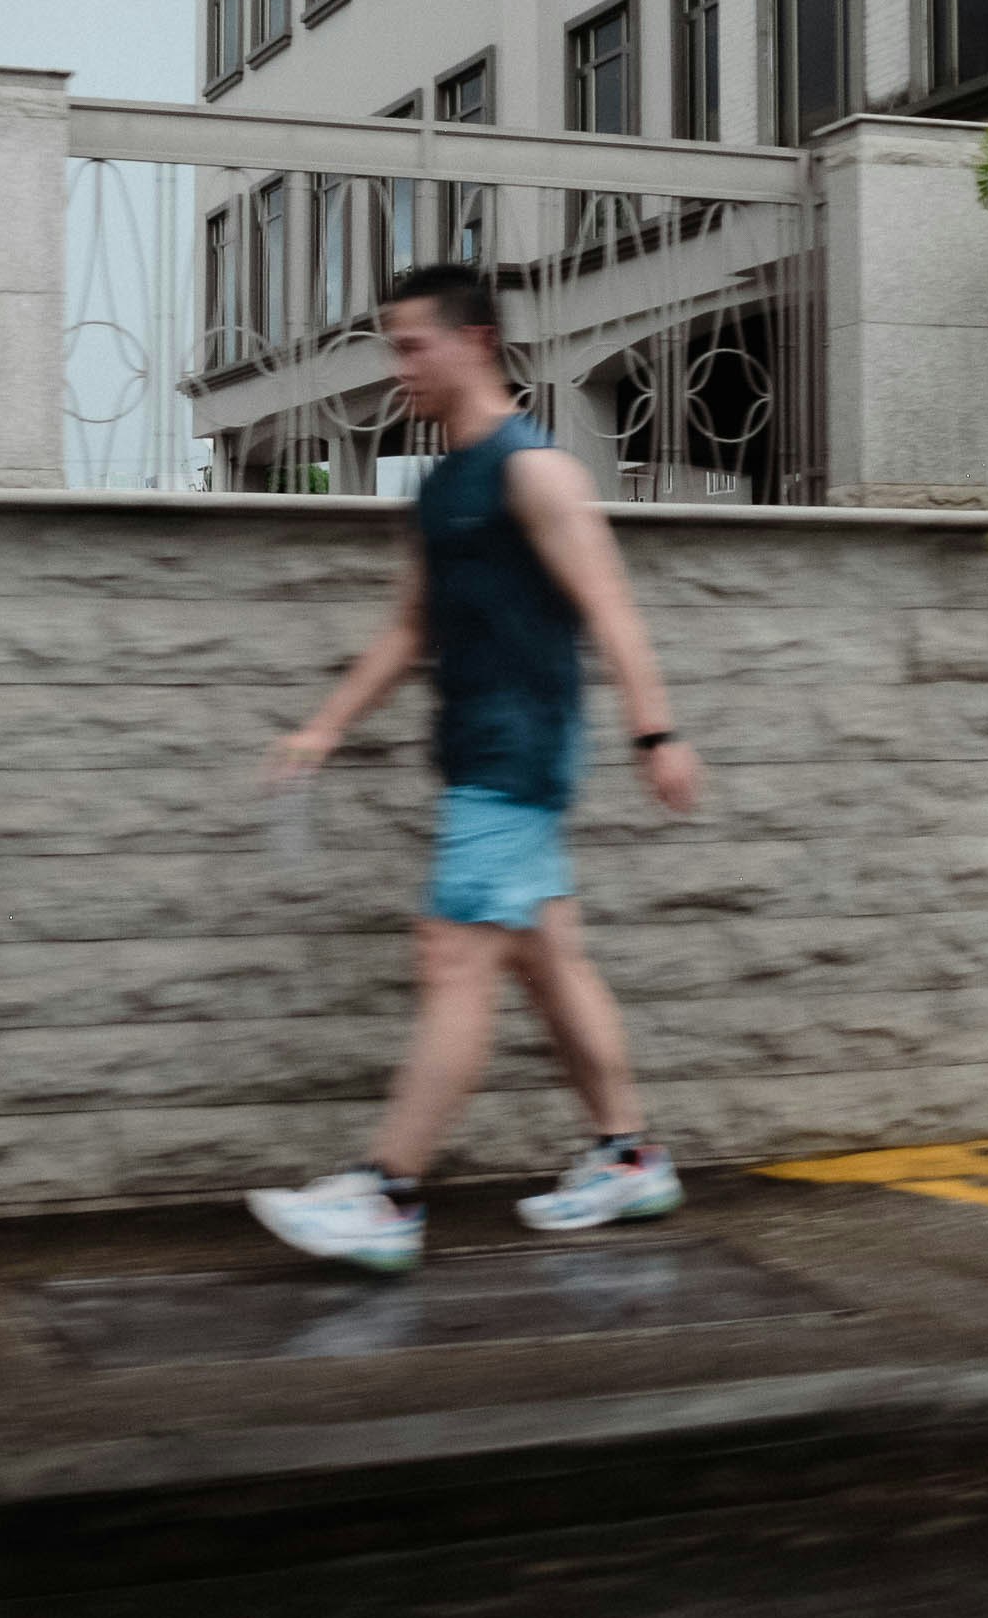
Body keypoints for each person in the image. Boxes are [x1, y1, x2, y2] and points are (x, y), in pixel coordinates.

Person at [248, 263, 705, 1273]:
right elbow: (411, 625)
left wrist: (656, 734)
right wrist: (324, 727)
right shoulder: (443, 482)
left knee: (452, 958)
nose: (396, 365)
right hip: (480, 752)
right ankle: (629, 1154)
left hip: (515, 754)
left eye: (413, 345)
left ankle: (389, 1192)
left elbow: (610, 604)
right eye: (391, 345)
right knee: (549, 961)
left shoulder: (533, 470)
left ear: (478, 342)